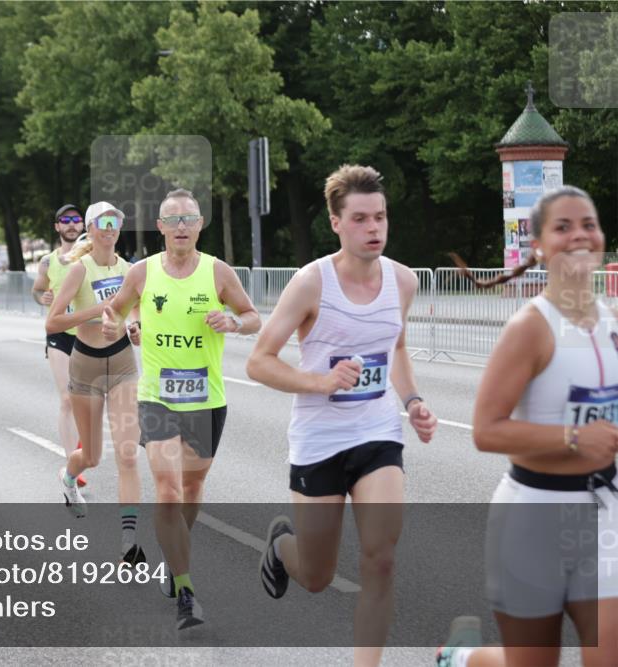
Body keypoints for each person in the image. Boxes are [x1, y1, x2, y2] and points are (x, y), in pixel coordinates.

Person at [246, 165, 437, 666]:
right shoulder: (312, 283)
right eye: (360, 219)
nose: (373, 228)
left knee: (381, 559)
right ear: (335, 223)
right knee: (316, 576)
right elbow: (259, 361)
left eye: (380, 217)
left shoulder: (403, 281)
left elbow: (396, 348)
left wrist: (413, 402)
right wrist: (321, 382)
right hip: (319, 441)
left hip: (377, 433)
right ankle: (282, 546)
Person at [436, 186, 617, 667]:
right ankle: (462, 657)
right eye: (563, 227)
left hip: (603, 515)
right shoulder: (530, 328)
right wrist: (574, 437)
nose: (580, 236)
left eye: (589, 225)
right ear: (537, 247)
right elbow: (486, 430)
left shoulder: (610, 322)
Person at [102, 188, 261, 630]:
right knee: (169, 489)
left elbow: (253, 316)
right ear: (160, 227)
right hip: (157, 397)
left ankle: (174, 555)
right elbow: (114, 313)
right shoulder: (142, 272)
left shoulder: (218, 272)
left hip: (206, 400)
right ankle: (186, 590)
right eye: (172, 220)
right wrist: (124, 325)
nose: (181, 227)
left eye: (188, 219)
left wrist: (234, 322)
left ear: (200, 224)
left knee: (191, 489)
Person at [47, 202, 146, 565]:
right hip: (85, 365)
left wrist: (134, 327)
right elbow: (53, 322)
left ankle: (129, 541)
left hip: (122, 363)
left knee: (127, 453)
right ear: (91, 228)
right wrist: (98, 312)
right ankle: (69, 478)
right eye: (103, 222)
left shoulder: (130, 270)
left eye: (115, 222)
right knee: (91, 455)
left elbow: (137, 310)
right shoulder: (79, 270)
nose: (109, 227)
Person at [32, 204, 86, 487]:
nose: (71, 224)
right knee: (67, 399)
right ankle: (72, 467)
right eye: (65, 220)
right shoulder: (47, 261)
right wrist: (42, 298)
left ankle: (80, 448)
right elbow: (37, 290)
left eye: (76, 220)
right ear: (57, 227)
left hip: (88, 334)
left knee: (87, 401)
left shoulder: (92, 256)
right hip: (59, 334)